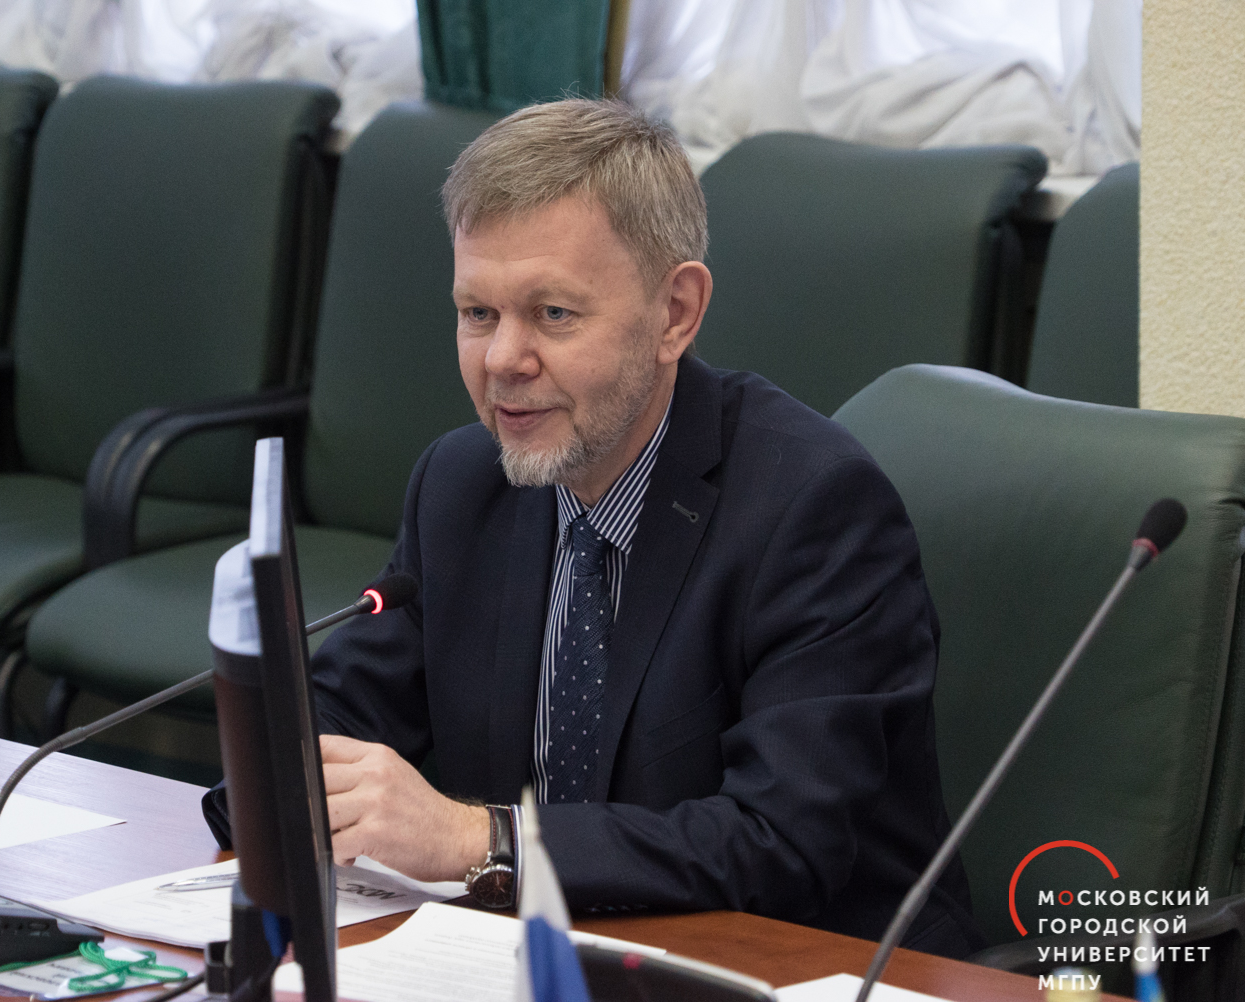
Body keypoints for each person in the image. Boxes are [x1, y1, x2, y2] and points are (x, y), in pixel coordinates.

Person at [204, 98, 982, 958]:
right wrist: (284, 774)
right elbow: (341, 713)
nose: (503, 360)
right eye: (478, 313)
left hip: (805, 966)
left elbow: (781, 841)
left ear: (675, 313)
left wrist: (477, 841)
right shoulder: (462, 484)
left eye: (554, 314)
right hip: (535, 954)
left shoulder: (814, 509)